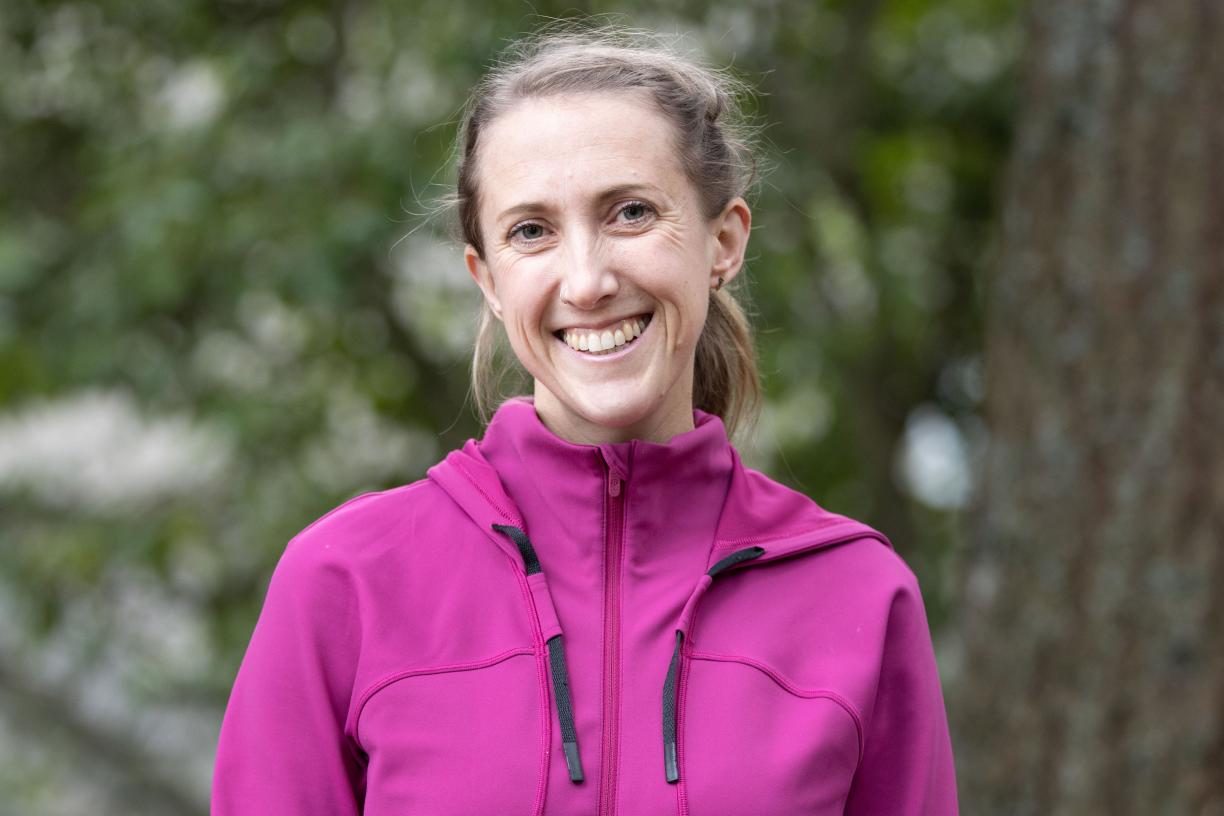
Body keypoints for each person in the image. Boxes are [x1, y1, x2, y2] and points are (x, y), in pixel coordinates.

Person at [211, 23, 959, 816]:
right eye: (531, 231)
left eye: (630, 213)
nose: (587, 280)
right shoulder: (346, 580)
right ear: (488, 279)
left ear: (723, 241)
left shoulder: (856, 594)